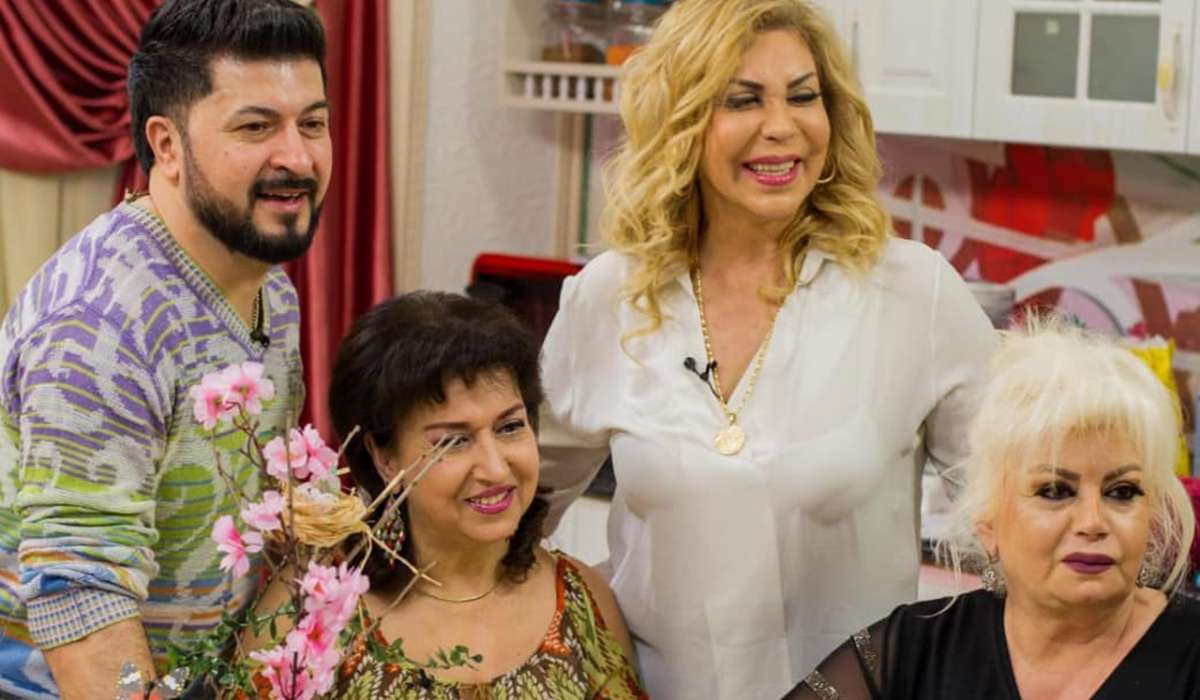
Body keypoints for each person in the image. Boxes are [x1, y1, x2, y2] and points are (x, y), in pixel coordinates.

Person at [537, 0, 999, 697]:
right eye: (742, 100)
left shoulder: (914, 292)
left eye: (803, 96)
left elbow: (1020, 518)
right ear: (683, 121)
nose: (781, 126)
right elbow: (513, 506)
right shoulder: (611, 295)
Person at [0, 0, 329, 696]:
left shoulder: (269, 286)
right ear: (167, 145)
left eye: (312, 123)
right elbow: (79, 594)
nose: (298, 157)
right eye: (256, 126)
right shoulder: (100, 324)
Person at [785, 318, 1200, 699]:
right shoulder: (914, 650)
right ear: (987, 520)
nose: (1093, 522)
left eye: (1122, 492)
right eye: (1055, 491)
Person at [311, 291, 648, 698]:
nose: (495, 468)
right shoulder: (319, 607)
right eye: (454, 441)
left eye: (510, 427)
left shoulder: (585, 604)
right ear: (383, 457)